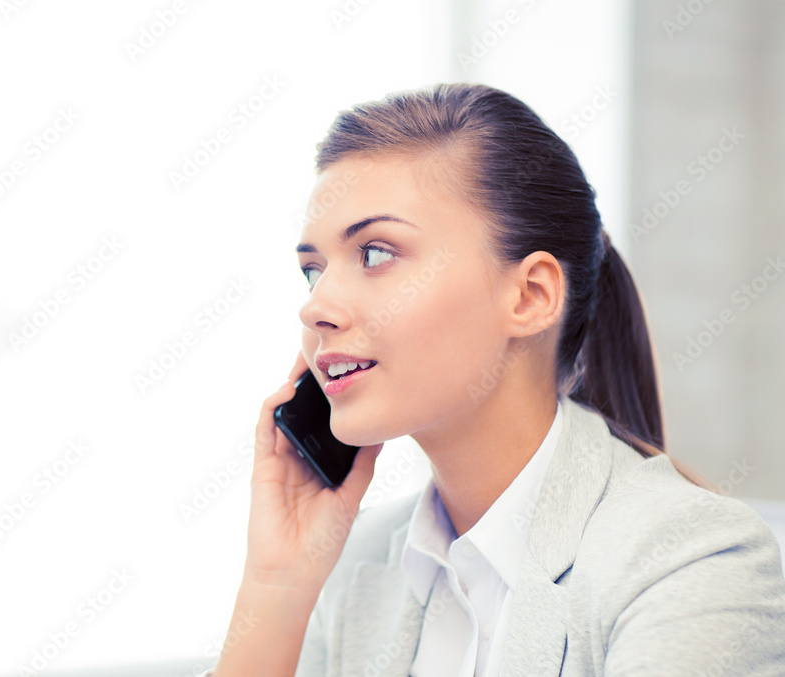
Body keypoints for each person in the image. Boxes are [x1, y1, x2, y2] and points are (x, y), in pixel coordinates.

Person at [205, 83, 785, 676]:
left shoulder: (692, 560)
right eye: (312, 271)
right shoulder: (356, 569)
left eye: (376, 254)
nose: (316, 307)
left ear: (530, 296)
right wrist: (276, 585)